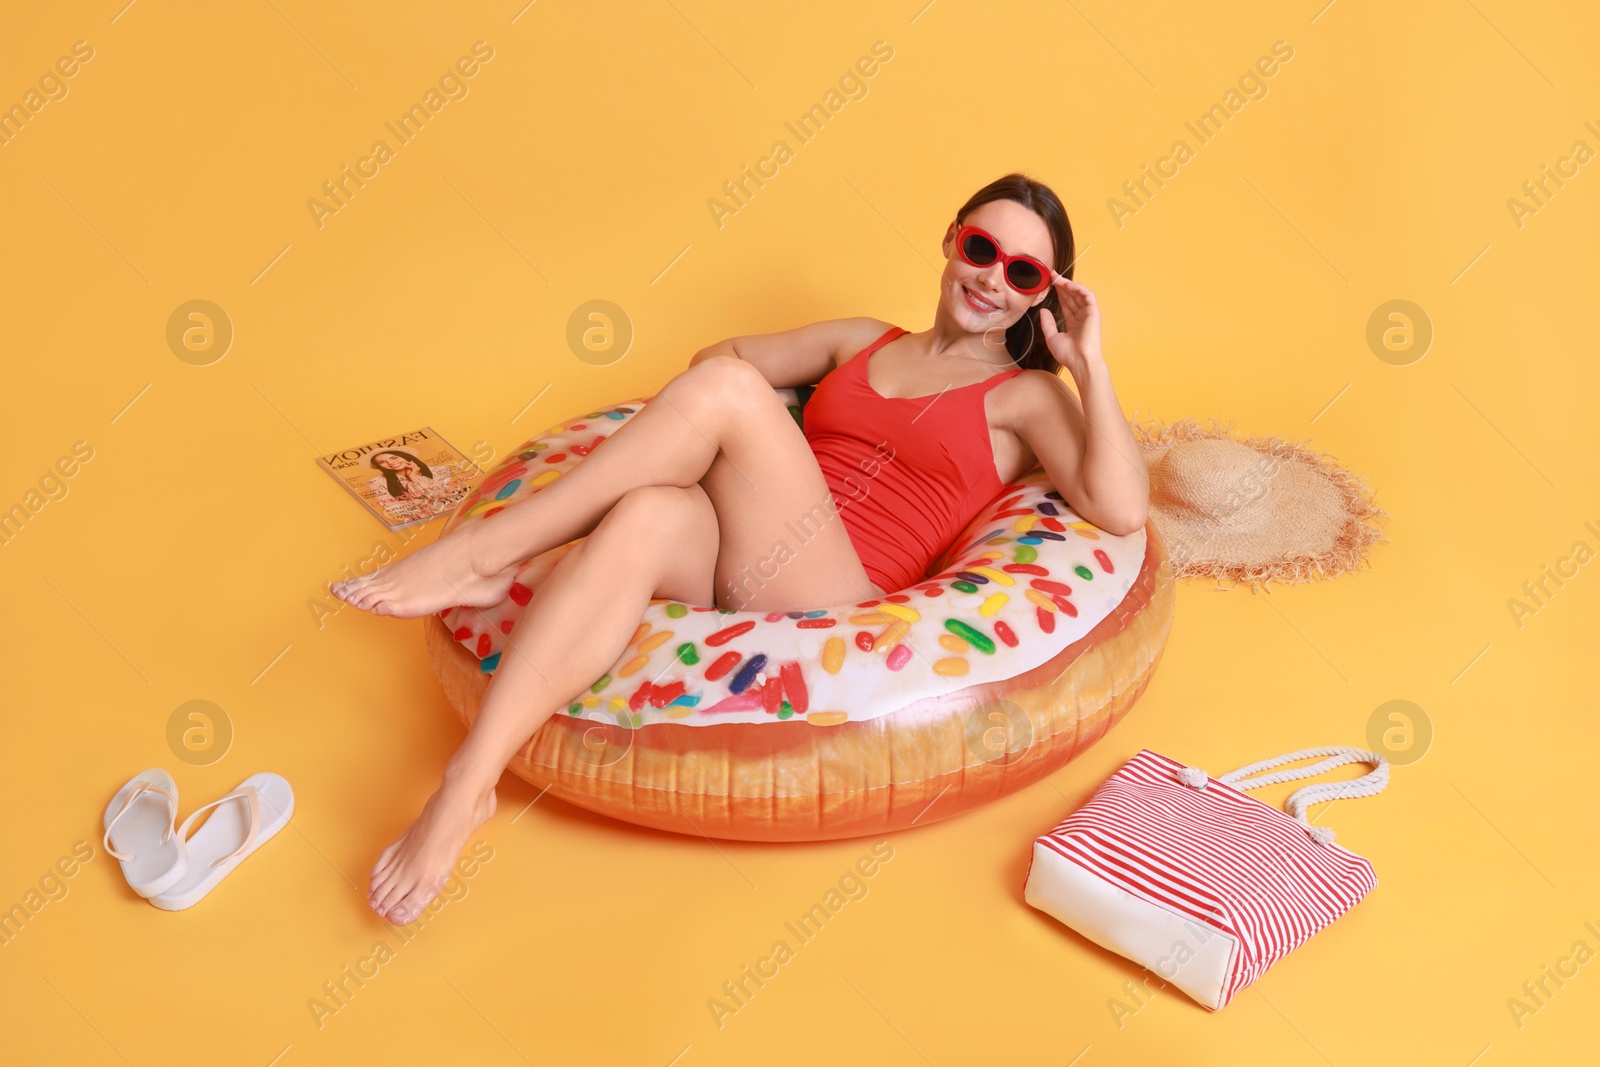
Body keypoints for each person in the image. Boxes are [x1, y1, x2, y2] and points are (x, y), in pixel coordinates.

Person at [332, 172, 1149, 925]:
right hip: (751, 554)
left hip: (840, 595)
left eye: (1022, 274)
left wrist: (1089, 363)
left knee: (729, 399)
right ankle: (467, 787)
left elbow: (1119, 506)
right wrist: (795, 414)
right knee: (650, 510)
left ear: (1044, 296)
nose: (990, 278)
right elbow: (712, 361)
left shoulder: (1027, 396)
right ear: (950, 240)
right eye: (981, 250)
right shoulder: (863, 341)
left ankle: (490, 552)